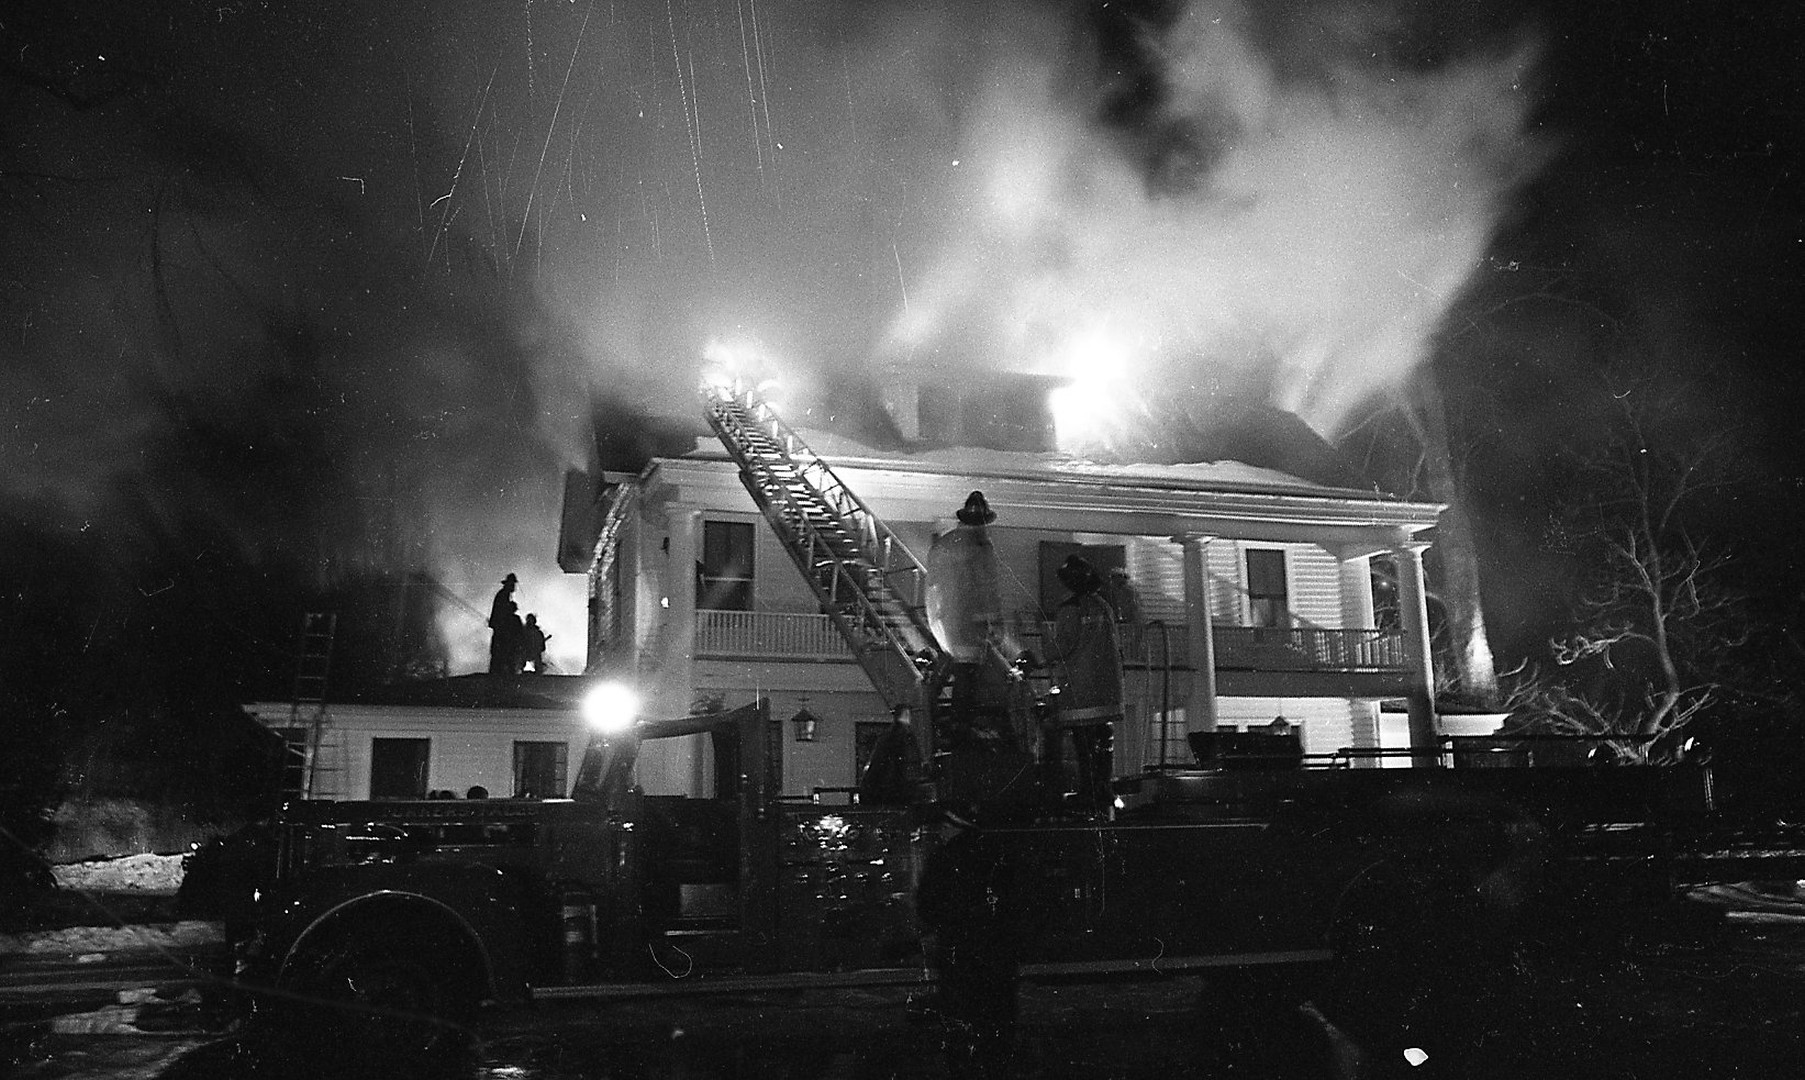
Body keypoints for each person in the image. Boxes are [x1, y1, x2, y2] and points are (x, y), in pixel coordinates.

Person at [1043, 554, 1124, 810]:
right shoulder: (1103, 606)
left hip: (1081, 690)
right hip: (1107, 690)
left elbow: (1063, 645)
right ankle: (1104, 789)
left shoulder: (1071, 608)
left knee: (1084, 744)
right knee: (1104, 740)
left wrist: (1044, 651)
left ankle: (1088, 792)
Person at [489, 573, 521, 674]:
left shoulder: (504, 594)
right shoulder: (503, 595)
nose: (514, 586)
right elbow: (503, 613)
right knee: (501, 653)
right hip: (502, 629)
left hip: (501, 629)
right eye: (513, 584)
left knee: (501, 654)